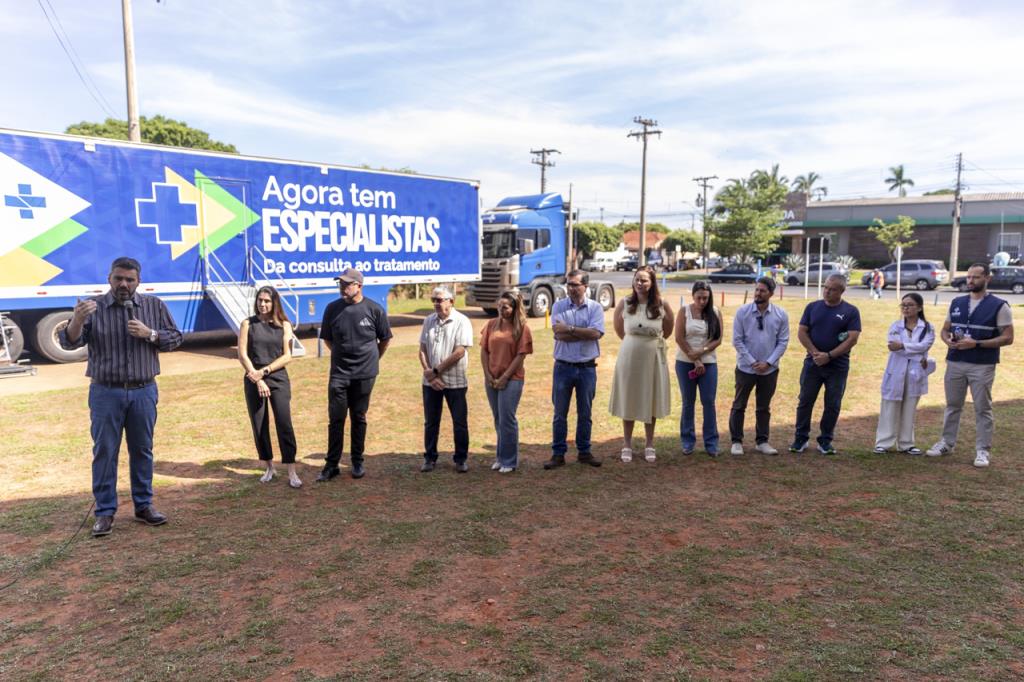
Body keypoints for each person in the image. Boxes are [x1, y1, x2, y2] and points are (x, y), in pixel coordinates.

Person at [59, 257, 182, 538]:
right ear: (109, 278)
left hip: (143, 390)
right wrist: (77, 319)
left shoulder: (154, 306)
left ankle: (144, 505)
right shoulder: (93, 307)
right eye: (118, 279)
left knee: (142, 450)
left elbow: (175, 338)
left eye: (129, 279)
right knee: (105, 451)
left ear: (139, 281)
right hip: (106, 392)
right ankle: (104, 512)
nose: (124, 284)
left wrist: (150, 334)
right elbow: (70, 341)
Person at [927, 263, 1014, 467]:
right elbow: (945, 329)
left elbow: (1008, 338)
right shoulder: (957, 302)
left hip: (982, 365)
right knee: (952, 405)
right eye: (968, 277)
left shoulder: (1000, 305)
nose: (970, 281)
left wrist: (977, 343)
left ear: (987, 279)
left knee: (982, 408)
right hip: (955, 362)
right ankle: (947, 443)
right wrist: (947, 339)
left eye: (975, 277)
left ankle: (983, 450)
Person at [318, 268, 392, 481]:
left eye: (347, 284)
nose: (342, 287)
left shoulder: (374, 309)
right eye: (340, 283)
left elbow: (385, 339)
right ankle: (332, 465)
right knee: (336, 419)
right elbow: (328, 340)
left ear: (359, 285)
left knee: (359, 417)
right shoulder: (332, 309)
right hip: (339, 374)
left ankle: (357, 461)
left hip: (365, 374)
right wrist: (343, 357)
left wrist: (371, 360)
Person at [790, 273, 861, 455]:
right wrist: (815, 353)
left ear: (842, 291)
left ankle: (825, 440)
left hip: (837, 367)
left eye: (832, 289)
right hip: (813, 364)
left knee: (833, 403)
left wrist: (829, 356)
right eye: (826, 287)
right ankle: (800, 438)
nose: (827, 292)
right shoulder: (812, 307)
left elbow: (852, 339)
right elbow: (802, 332)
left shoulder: (851, 312)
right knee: (805, 401)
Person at [238, 286, 300, 487]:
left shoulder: (284, 325)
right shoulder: (248, 324)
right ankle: (269, 467)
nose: (262, 304)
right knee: (259, 424)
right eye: (260, 300)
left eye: (267, 301)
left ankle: (291, 470)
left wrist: (264, 372)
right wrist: (257, 378)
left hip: (277, 378)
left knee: (284, 423)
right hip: (253, 378)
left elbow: (287, 356)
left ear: (274, 303)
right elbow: (243, 354)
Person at [610, 267, 674, 462]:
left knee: (650, 396)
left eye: (644, 280)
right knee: (629, 396)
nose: (640, 283)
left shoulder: (662, 305)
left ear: (652, 283)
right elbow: (619, 329)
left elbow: (668, 330)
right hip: (629, 358)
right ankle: (627, 443)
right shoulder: (625, 303)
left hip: (653, 358)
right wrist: (635, 343)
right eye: (637, 279)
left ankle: (649, 443)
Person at [545, 270, 605, 469]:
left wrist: (570, 329)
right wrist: (583, 332)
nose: (571, 288)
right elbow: (558, 335)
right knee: (559, 413)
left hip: (587, 368)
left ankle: (584, 452)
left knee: (585, 413)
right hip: (563, 367)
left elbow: (596, 333)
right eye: (569, 284)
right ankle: (558, 453)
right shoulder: (558, 306)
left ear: (585, 286)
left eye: (575, 285)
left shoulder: (595, 308)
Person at [729, 276, 790, 456]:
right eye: (756, 290)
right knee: (739, 404)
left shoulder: (780, 315)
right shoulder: (743, 312)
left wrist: (769, 362)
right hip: (746, 368)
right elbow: (737, 340)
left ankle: (762, 441)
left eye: (762, 291)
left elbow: (783, 341)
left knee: (763, 407)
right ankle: (736, 441)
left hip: (769, 370)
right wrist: (752, 362)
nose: (758, 293)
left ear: (771, 293)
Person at [418, 286, 473, 473]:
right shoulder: (428, 321)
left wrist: (436, 370)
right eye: (434, 299)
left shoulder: (462, 321)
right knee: (431, 422)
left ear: (451, 301)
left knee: (459, 421)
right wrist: (428, 372)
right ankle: (430, 458)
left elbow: (459, 351)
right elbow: (422, 349)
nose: (436, 303)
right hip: (430, 382)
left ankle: (460, 459)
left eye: (440, 300)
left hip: (455, 381)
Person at [874, 293, 935, 455]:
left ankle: (907, 443)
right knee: (890, 406)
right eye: (903, 305)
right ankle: (884, 442)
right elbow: (894, 347)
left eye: (910, 305)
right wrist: (915, 351)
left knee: (909, 407)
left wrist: (903, 345)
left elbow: (925, 346)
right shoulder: (895, 326)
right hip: (896, 371)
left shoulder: (928, 328)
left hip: (914, 374)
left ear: (919, 308)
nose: (906, 308)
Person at [480, 291, 534, 473]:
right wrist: (487, 374)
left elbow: (521, 356)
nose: (501, 310)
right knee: (498, 419)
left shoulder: (522, 328)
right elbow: (484, 351)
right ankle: (500, 457)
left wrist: (504, 378)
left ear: (514, 308)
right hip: (492, 379)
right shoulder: (491, 325)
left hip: (512, 380)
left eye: (506, 307)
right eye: (499, 306)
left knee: (507, 419)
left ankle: (509, 461)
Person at [674, 280, 723, 456]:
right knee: (688, 401)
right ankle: (687, 440)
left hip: (709, 362)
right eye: (699, 298)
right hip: (685, 361)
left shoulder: (715, 312)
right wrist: (695, 360)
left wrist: (701, 353)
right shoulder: (684, 311)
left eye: (706, 298)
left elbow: (718, 339)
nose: (702, 302)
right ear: (693, 296)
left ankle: (711, 443)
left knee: (708, 401)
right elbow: (679, 338)